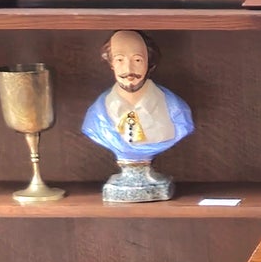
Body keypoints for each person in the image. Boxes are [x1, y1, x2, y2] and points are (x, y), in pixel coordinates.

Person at [81, 30, 193, 199]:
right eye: (120, 60)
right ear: (110, 63)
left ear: (150, 63)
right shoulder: (97, 116)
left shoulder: (177, 111)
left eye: (138, 60)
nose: (128, 69)